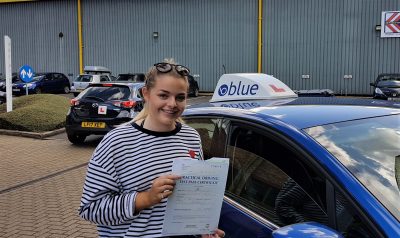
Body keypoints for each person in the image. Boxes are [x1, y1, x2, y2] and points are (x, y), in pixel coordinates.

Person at [79, 60, 225, 238]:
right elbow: (91, 209)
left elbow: (192, 198)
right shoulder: (116, 142)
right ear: (146, 94)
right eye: (163, 95)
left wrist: (202, 229)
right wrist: (145, 198)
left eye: (180, 97)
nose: (172, 104)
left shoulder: (191, 137)